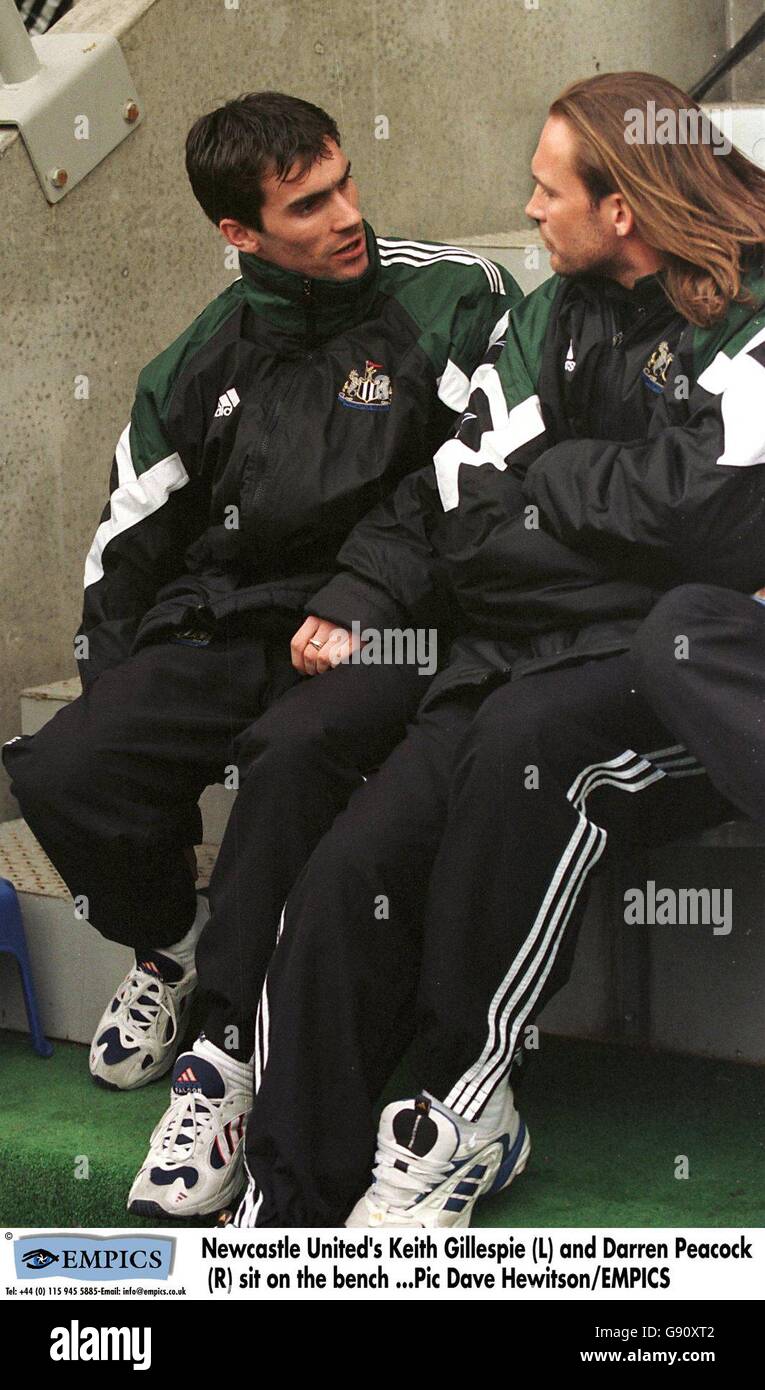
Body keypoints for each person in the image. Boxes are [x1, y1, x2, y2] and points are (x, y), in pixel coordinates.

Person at [228, 71, 765, 1228]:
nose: (528, 211)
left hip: (655, 682)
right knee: (351, 872)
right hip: (513, 655)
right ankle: (284, 1200)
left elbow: (727, 521)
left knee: (533, 751)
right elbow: (469, 520)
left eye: (545, 188)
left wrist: (561, 484)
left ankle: (460, 1108)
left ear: (620, 208)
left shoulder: (750, 311)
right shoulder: (542, 317)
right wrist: (626, 543)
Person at [1, 91, 518, 1217]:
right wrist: (124, 693)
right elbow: (125, 540)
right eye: (307, 204)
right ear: (239, 232)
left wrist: (358, 596)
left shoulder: (452, 295)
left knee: (289, 756)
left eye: (343, 181)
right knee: (64, 763)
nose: (347, 215)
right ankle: (170, 943)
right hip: (234, 615)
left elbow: (471, 482)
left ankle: (224, 1063)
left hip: (391, 617)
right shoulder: (199, 355)